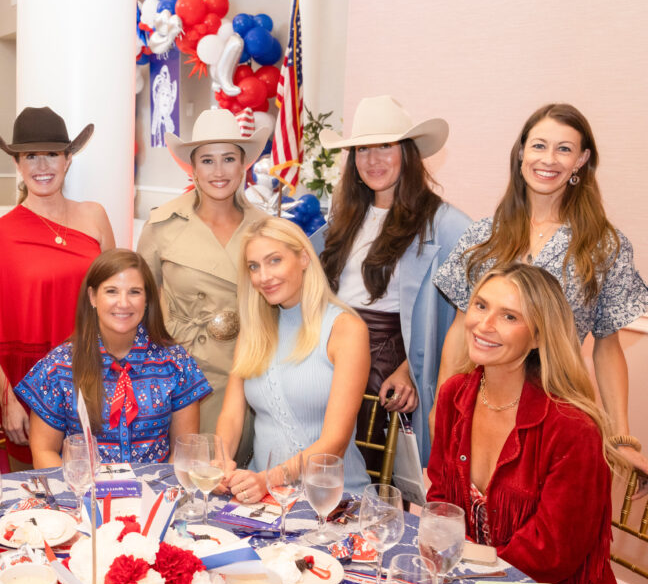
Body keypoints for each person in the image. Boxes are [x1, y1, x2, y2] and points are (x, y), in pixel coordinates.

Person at [432, 103, 648, 478]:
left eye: (564, 149)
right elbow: (459, 330)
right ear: (521, 154)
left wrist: (621, 435)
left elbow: (607, 346)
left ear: (581, 160)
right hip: (479, 407)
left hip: (556, 414)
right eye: (539, 146)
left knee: (543, 531)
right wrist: (442, 407)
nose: (549, 159)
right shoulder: (483, 236)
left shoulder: (604, 246)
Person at [427, 263, 621, 584]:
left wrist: (468, 568)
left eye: (509, 317)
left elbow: (550, 555)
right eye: (481, 305)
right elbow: (442, 502)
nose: (483, 325)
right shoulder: (455, 395)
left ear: (539, 335)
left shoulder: (574, 429)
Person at [310, 96, 471, 468]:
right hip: (328, 353)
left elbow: (466, 316)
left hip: (382, 366)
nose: (373, 159)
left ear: (408, 153)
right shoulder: (344, 217)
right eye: (363, 149)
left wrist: (411, 369)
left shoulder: (446, 225)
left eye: (385, 146)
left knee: (365, 478)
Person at [0, 106, 114, 466]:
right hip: (32, 392)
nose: (42, 166)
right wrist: (7, 401)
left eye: (51, 154)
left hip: (97, 375)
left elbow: (117, 295)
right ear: (17, 164)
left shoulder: (94, 216)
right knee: (45, 504)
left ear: (68, 160)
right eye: (30, 156)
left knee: (106, 491)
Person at [137, 109, 270, 443]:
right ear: (192, 167)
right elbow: (139, 308)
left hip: (247, 374)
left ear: (244, 165)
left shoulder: (267, 230)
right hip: (179, 376)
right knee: (185, 474)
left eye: (228, 159)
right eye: (207, 161)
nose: (219, 171)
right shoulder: (161, 225)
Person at [217, 217, 371, 502]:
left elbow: (334, 443)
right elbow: (232, 414)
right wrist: (222, 461)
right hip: (262, 499)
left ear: (303, 257)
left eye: (274, 260)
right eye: (254, 266)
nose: (264, 276)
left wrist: (268, 480)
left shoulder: (346, 329)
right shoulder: (253, 330)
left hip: (331, 500)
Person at [16, 248, 209, 467]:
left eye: (134, 292)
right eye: (112, 291)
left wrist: (159, 497)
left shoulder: (176, 363)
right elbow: (44, 451)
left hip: (155, 496)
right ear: (92, 297)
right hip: (84, 495)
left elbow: (184, 451)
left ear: (147, 300)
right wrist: (79, 497)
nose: (124, 303)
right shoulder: (57, 367)